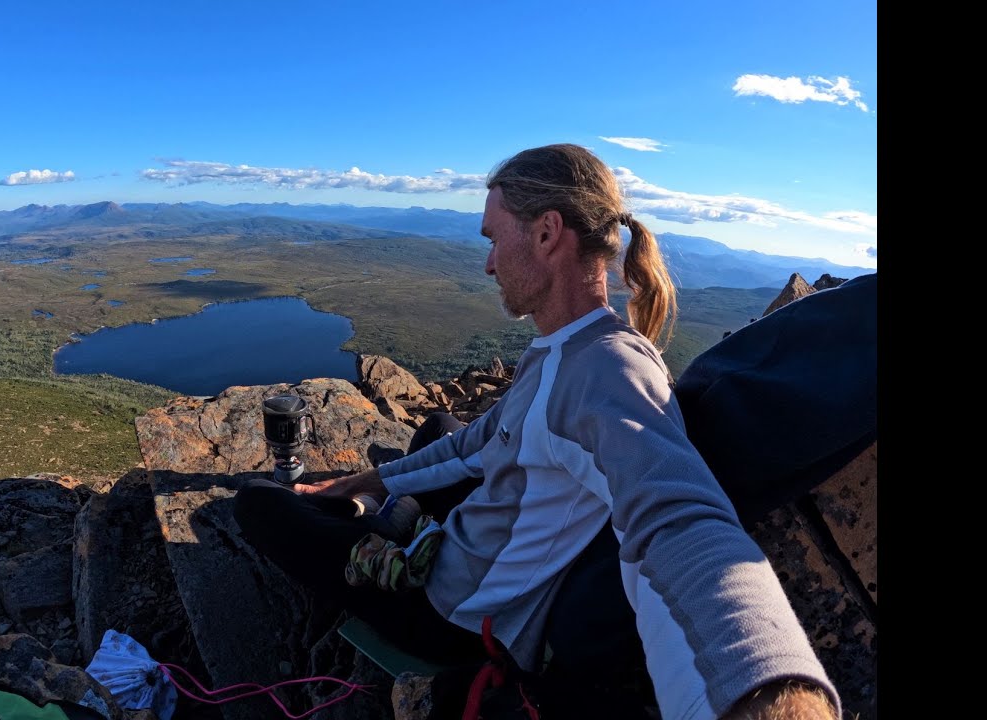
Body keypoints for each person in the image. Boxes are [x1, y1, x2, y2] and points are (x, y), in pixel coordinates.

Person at [234, 144, 840, 720]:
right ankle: (389, 514)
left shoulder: (608, 373)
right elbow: (479, 439)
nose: (489, 261)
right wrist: (362, 478)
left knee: (259, 506)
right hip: (471, 546)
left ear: (548, 233)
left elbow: (676, 516)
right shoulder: (564, 348)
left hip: (453, 615)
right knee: (443, 426)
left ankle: (388, 531)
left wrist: (763, 691)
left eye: (496, 238)